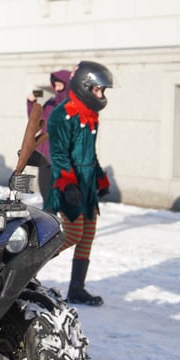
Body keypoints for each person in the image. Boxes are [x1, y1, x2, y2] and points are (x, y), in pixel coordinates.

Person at [45, 60, 114, 306]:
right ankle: (28, 267)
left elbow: (89, 153)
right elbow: (59, 154)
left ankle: (76, 289)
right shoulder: (62, 114)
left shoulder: (91, 115)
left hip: (86, 184)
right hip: (68, 183)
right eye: (98, 89)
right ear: (85, 86)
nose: (101, 94)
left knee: (88, 234)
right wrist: (68, 183)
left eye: (102, 90)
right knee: (73, 234)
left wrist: (100, 178)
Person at [26, 69, 71, 202]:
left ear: (67, 84)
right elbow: (35, 120)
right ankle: (51, 222)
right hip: (45, 156)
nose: (56, 88)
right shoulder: (50, 102)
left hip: (61, 158)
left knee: (62, 198)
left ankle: (62, 222)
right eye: (55, 84)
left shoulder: (71, 105)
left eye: (60, 85)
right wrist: (31, 102)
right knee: (47, 196)